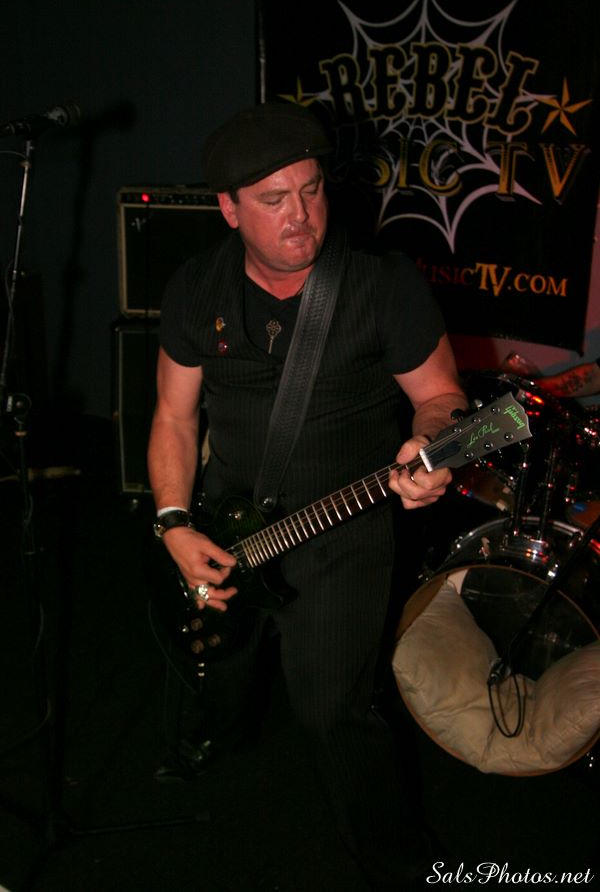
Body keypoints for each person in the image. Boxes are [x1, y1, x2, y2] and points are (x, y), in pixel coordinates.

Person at [147, 100, 468, 891]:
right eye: (273, 199)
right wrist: (174, 522)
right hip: (228, 522)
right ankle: (212, 738)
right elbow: (174, 417)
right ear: (228, 208)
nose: (301, 215)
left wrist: (434, 447)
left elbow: (444, 402)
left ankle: (402, 866)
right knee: (216, 663)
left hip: (341, 529)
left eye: (312, 189)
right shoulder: (195, 286)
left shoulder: (379, 284)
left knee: (331, 713)